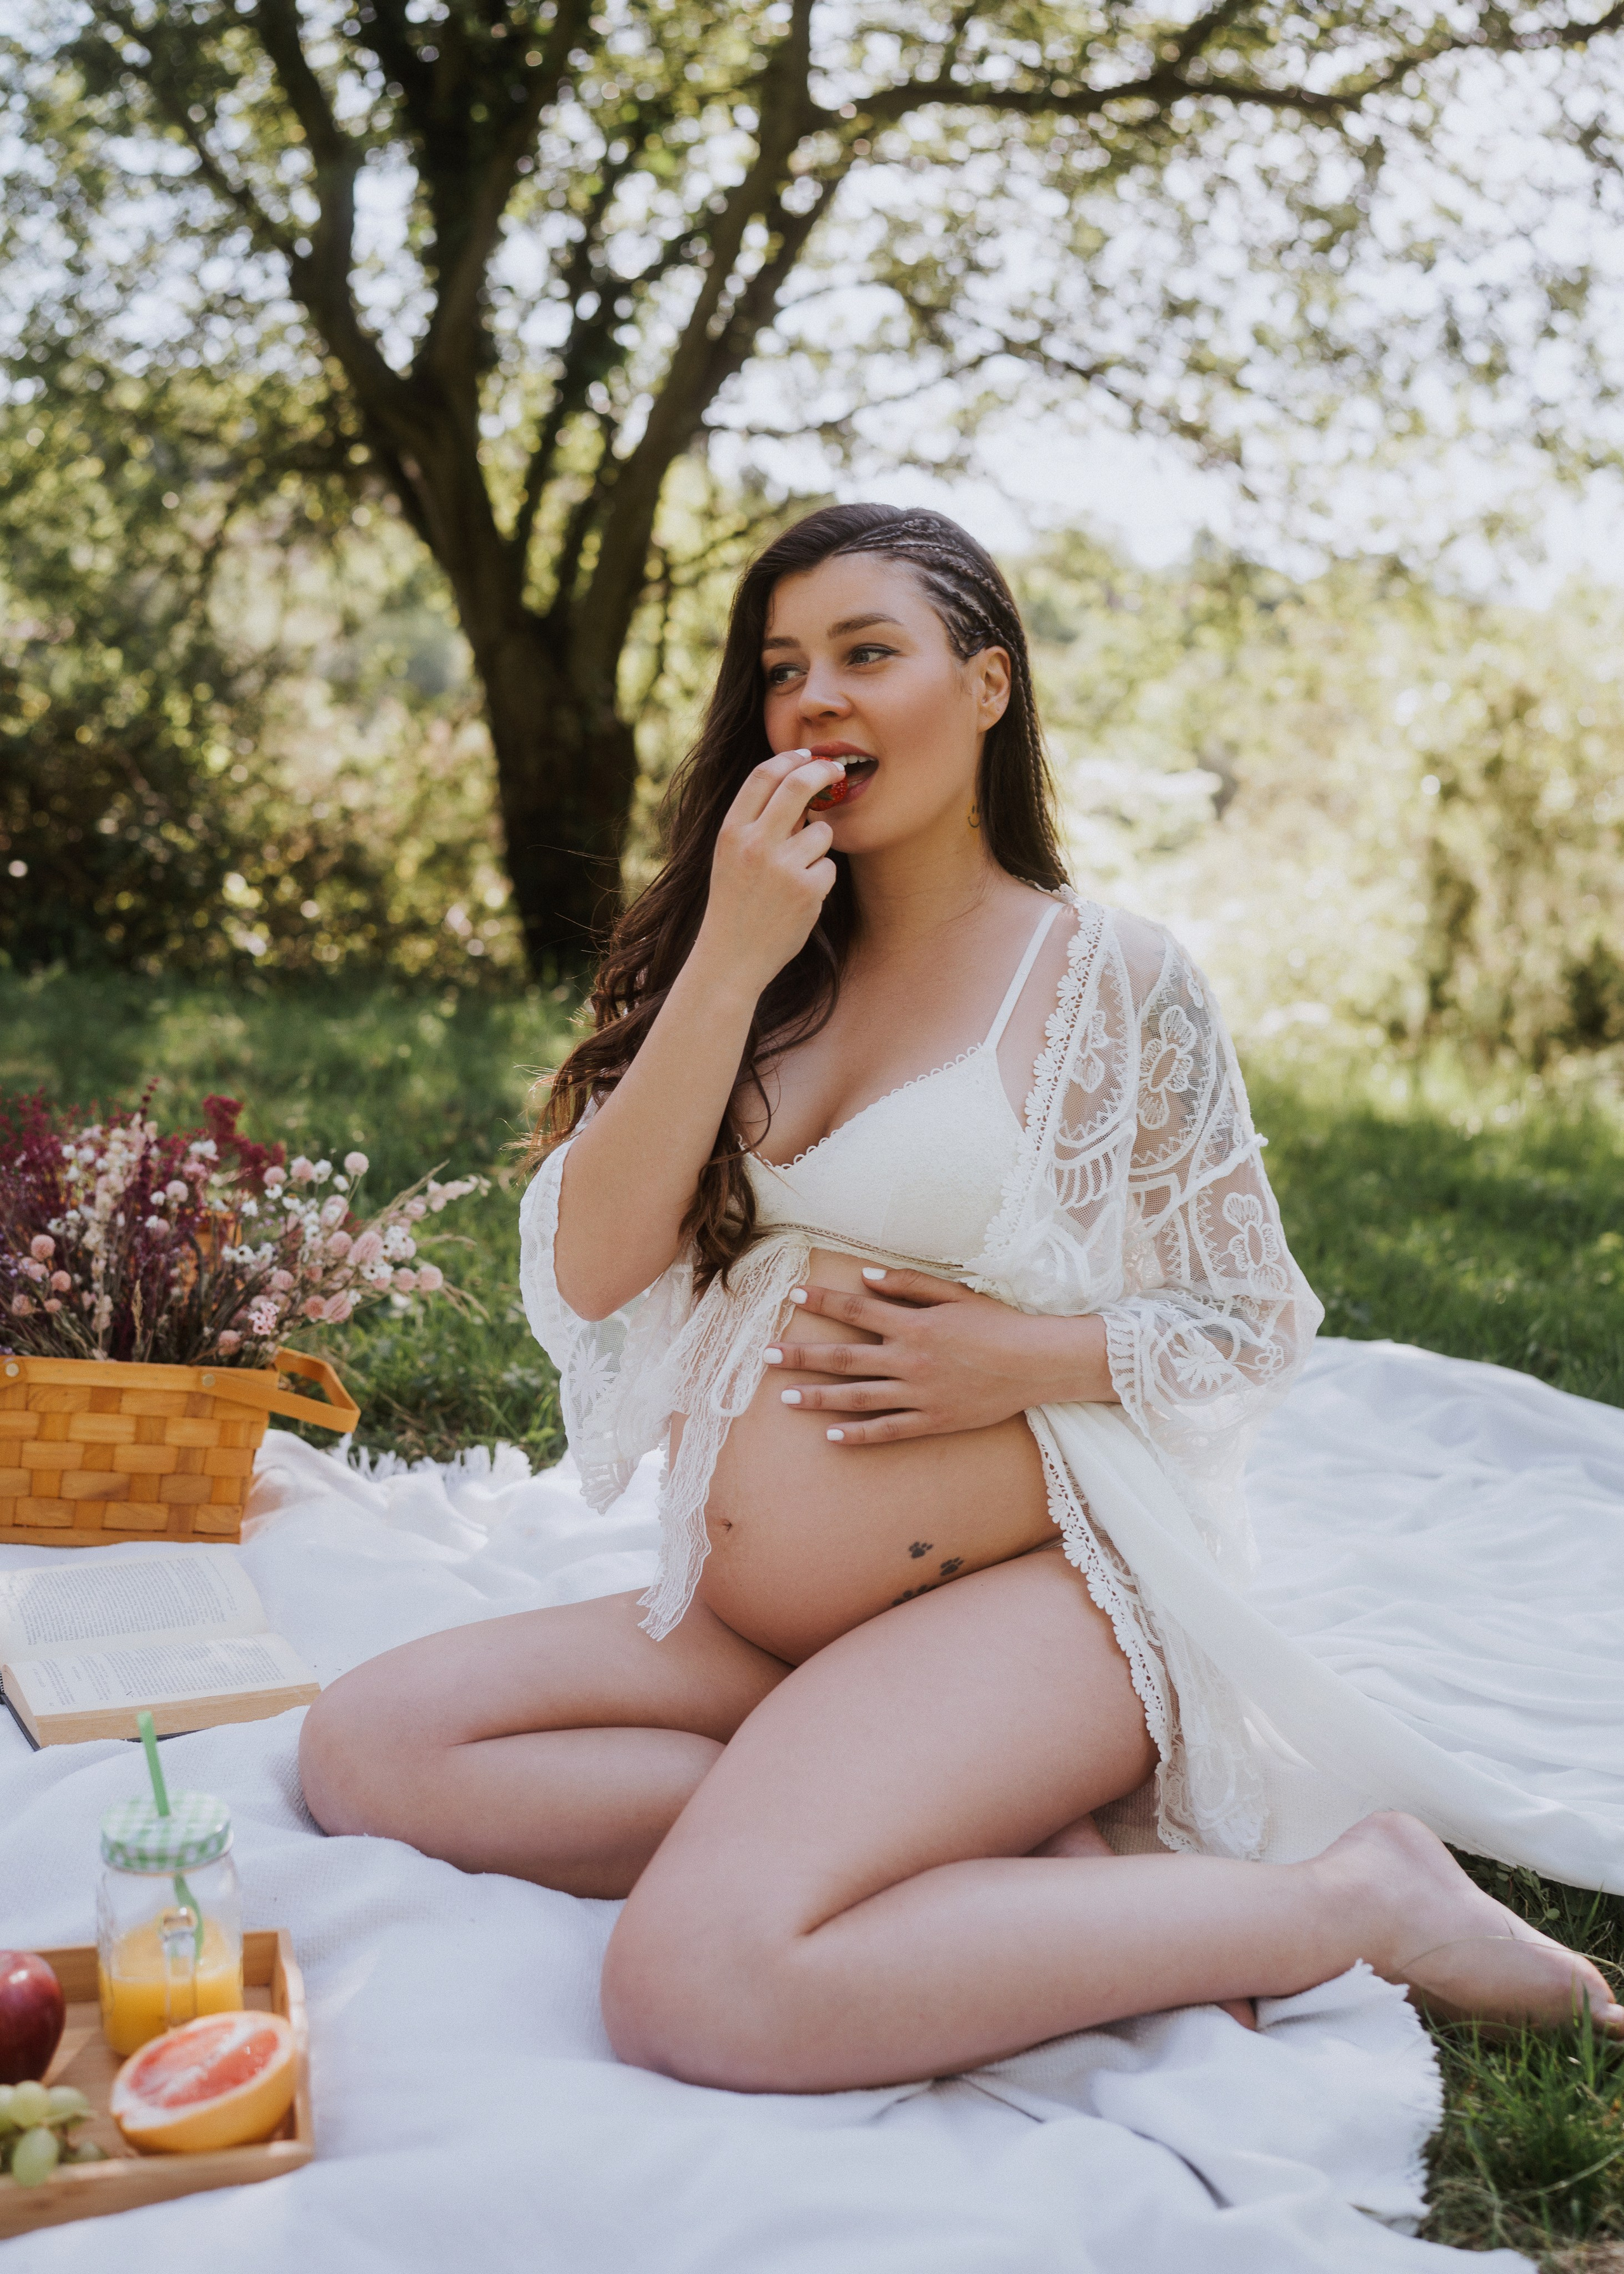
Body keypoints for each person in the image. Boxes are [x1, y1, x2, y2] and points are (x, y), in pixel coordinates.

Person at [299, 503, 1621, 2093]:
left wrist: (1021, 1355)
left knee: (698, 1984)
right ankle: (963, 1833)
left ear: (985, 687)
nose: (814, 700)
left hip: (1028, 1603)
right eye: (782, 668)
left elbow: (1249, 1316)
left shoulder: (1107, 976)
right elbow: (591, 1268)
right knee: (366, 1749)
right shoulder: (754, 965)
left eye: (869, 653)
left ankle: (1344, 1901)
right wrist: (725, 959)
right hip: (757, 1626)